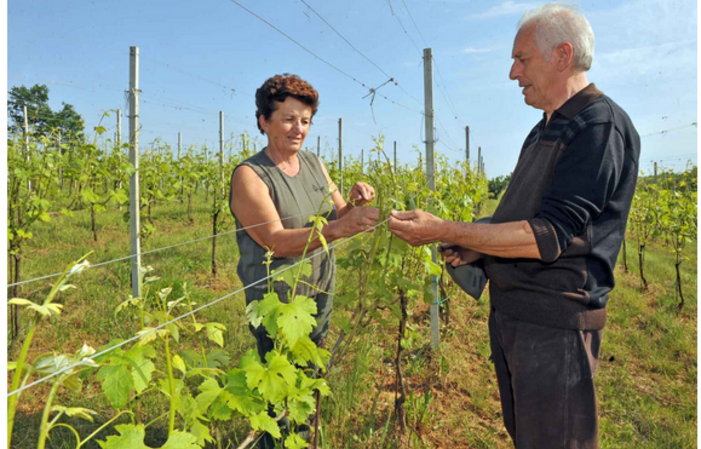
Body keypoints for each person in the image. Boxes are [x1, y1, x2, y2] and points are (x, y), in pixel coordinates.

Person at [388, 3, 640, 448]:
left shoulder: (598, 126)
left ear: (562, 56)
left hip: (555, 322)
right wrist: (478, 248)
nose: (511, 73)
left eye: (521, 59)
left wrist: (444, 228)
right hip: (517, 317)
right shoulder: (544, 128)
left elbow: (547, 236)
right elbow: (524, 219)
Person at [229, 74, 379, 446]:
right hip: (277, 301)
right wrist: (335, 231)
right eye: (288, 119)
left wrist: (357, 203)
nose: (299, 129)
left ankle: (303, 440)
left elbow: (341, 213)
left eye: (306, 121)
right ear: (264, 121)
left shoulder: (314, 164)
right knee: (280, 385)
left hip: (318, 289)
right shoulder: (250, 176)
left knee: (310, 375)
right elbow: (276, 242)